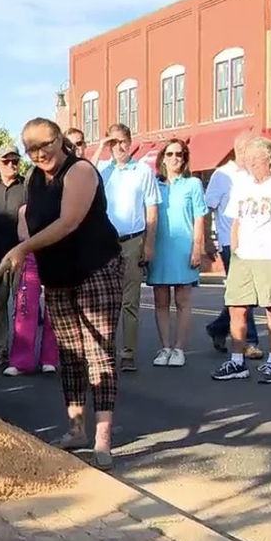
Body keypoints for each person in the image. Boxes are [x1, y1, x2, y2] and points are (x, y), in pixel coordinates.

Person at [1, 118, 122, 470]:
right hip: (58, 276)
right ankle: (75, 429)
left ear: (60, 141)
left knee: (98, 352)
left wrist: (24, 250)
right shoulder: (36, 179)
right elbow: (28, 214)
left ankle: (102, 439)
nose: (40, 154)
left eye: (46, 145)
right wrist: (23, 242)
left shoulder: (80, 171)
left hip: (95, 269)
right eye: (32, 149)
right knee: (69, 353)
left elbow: (68, 221)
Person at [211, 138, 271, 385]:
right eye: (247, 159)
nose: (250, 163)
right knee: (237, 308)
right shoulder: (242, 186)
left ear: (268, 159)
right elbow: (235, 221)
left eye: (255, 159)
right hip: (244, 257)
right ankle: (237, 361)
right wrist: (234, 249)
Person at [91, 123, 159, 372]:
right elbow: (85, 173)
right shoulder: (102, 170)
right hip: (106, 243)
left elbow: (152, 209)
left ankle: (128, 352)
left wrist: (149, 244)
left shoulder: (142, 171)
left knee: (130, 301)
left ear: (130, 143)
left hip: (132, 240)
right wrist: (100, 147)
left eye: (122, 141)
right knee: (104, 300)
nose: (118, 147)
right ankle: (104, 351)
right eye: (113, 142)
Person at [147, 140, 207, 367]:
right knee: (161, 300)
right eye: (170, 154)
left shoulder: (193, 184)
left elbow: (200, 217)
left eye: (179, 154)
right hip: (160, 247)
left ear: (185, 158)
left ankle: (180, 348)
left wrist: (197, 248)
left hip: (184, 247)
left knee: (182, 299)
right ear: (162, 157)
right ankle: (165, 347)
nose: (174, 158)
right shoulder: (154, 184)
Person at [204, 132, 262, 358]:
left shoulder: (255, 175)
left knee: (247, 294)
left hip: (256, 244)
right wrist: (209, 240)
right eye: (252, 149)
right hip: (231, 243)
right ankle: (249, 341)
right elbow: (208, 207)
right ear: (240, 149)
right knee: (245, 294)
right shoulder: (223, 175)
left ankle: (218, 328)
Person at [0, 142, 27, 367]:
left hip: (21, 255)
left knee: (23, 305)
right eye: (6, 161)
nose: (11, 165)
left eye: (15, 161)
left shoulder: (27, 187)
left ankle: (21, 352)